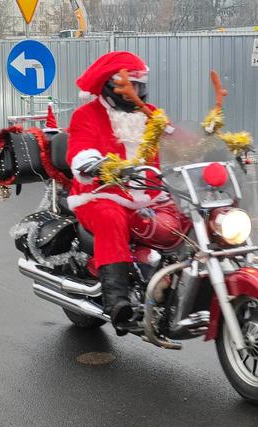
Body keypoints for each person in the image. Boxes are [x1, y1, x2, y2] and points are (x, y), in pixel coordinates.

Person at [66, 51, 161, 335]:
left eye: (140, 86)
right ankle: (117, 301)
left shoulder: (151, 114)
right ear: (110, 86)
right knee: (111, 218)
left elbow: (178, 142)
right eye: (129, 86)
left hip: (149, 191)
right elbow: (80, 150)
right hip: (98, 193)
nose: (137, 93)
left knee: (184, 217)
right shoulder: (87, 114)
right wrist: (96, 163)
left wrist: (207, 144)